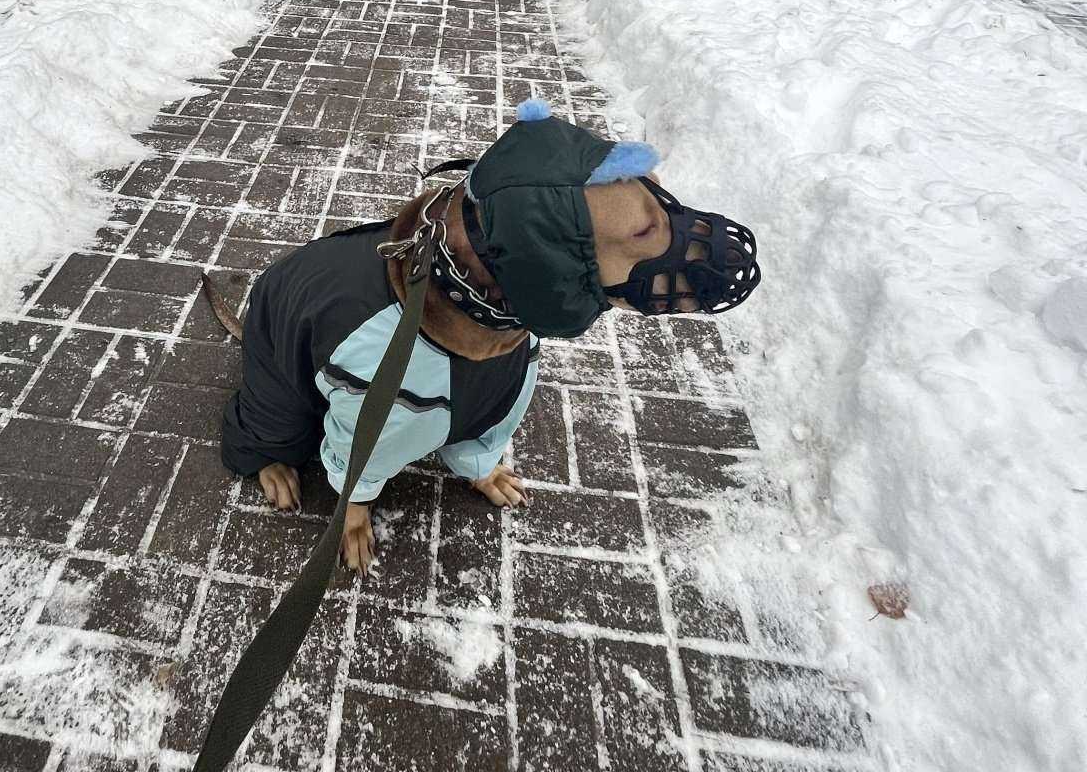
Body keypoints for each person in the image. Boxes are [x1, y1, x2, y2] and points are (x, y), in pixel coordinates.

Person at [215, 101, 760, 571]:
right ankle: (273, 456)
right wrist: (353, 506)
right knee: (287, 414)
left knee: (492, 386)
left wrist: (480, 462)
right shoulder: (380, 341)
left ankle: (475, 462)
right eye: (645, 232)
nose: (691, 243)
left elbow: (495, 400)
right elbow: (366, 434)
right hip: (294, 351)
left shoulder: (511, 297)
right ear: (546, 260)